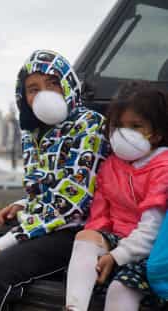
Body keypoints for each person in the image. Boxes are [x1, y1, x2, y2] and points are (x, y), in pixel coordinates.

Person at [0, 49, 109, 311]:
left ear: (69, 85)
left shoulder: (90, 125)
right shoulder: (32, 131)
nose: (44, 94)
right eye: (33, 89)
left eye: (53, 84)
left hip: (73, 230)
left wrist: (6, 241)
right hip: (37, 223)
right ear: (24, 96)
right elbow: (49, 184)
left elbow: (73, 201)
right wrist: (24, 203)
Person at [65, 87, 168, 311]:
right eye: (118, 126)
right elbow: (99, 216)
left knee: (120, 289)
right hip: (118, 240)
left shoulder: (164, 168)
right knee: (87, 236)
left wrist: (116, 256)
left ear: (157, 133)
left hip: (150, 251)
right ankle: (74, 307)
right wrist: (100, 251)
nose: (123, 133)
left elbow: (153, 229)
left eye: (135, 126)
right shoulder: (111, 165)